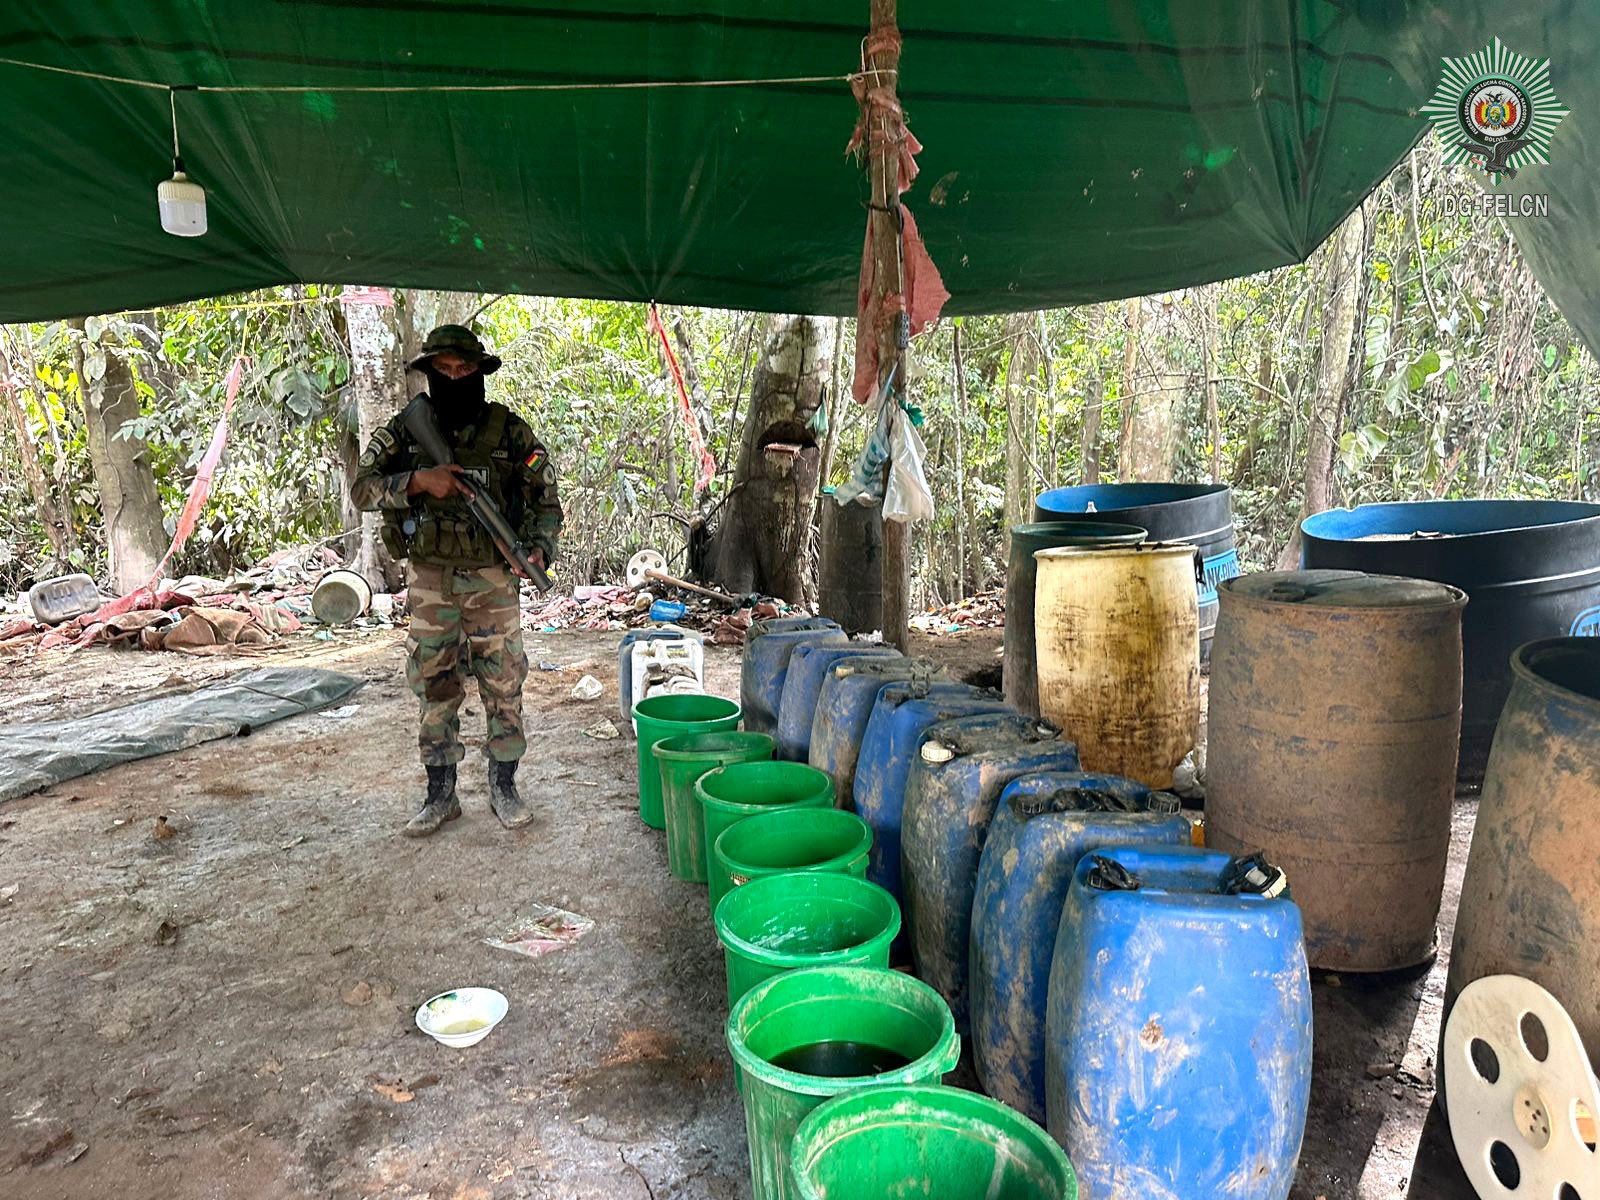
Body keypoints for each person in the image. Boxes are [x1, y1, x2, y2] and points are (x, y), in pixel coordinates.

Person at [353, 325, 563, 836]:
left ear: (479, 373)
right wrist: (420, 481)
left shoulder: (510, 432)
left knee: (503, 679)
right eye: (442, 371)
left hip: (492, 577)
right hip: (430, 578)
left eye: (463, 370)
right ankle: (440, 794)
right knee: (433, 679)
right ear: (429, 375)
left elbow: (545, 503)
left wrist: (536, 547)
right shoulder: (406, 433)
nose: (453, 378)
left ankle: (504, 784)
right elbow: (362, 489)